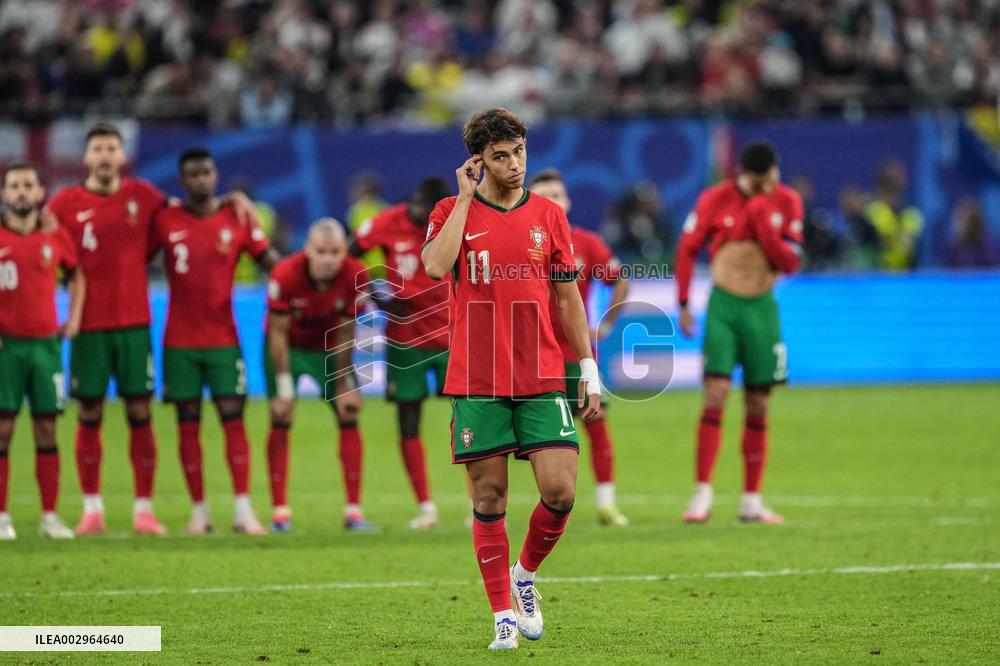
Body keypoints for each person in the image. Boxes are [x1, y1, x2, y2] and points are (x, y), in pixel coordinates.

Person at [421, 107, 601, 651]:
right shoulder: (451, 210)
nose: (515, 163)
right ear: (479, 160)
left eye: (519, 151)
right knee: (491, 495)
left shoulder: (549, 215)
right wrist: (466, 197)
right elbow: (434, 267)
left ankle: (524, 576)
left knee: (561, 491)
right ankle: (502, 613)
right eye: (501, 156)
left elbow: (567, 296)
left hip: (543, 371)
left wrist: (588, 366)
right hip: (477, 377)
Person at [47, 122, 255, 536]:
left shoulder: (145, 198)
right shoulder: (63, 205)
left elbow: (193, 212)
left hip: (136, 325)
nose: (105, 156)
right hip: (88, 327)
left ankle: (144, 510)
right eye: (98, 149)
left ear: (121, 157)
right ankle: (92, 509)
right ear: (87, 158)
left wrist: (230, 199)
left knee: (139, 413)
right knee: (89, 413)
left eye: (112, 148)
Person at [149, 147, 278, 535]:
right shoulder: (165, 218)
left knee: (232, 418)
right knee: (187, 423)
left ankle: (242, 510)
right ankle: (199, 511)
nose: (201, 179)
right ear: (182, 180)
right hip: (179, 342)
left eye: (207, 172)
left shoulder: (236, 215)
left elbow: (270, 262)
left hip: (224, 338)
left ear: (215, 174)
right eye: (193, 174)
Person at [674, 141, 803, 525]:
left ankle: (751, 499)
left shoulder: (786, 201)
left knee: (759, 402)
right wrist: (682, 301)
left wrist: (764, 224)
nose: (771, 181)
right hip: (724, 306)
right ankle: (702, 494)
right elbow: (687, 248)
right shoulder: (716, 199)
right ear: (745, 174)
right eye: (764, 176)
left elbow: (790, 263)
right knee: (715, 394)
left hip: (762, 308)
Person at [528, 169, 631, 526]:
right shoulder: (520, 242)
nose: (552, 201)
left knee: (596, 421)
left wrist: (604, 325)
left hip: (575, 353)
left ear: (567, 201)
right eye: (544, 196)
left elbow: (620, 279)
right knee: (517, 433)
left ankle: (606, 504)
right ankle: (487, 507)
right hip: (531, 356)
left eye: (557, 194)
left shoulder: (587, 243)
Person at [350, 177, 453, 529]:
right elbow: (350, 254)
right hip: (405, 340)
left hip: (453, 337)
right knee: (409, 423)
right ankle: (426, 507)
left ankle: (478, 503)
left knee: (473, 421)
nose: (436, 220)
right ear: (417, 203)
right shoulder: (385, 223)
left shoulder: (456, 220)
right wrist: (374, 295)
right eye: (432, 212)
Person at [265, 218, 374, 532]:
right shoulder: (285, 273)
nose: (328, 259)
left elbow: (346, 331)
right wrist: (284, 387)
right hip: (289, 348)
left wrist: (344, 383)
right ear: (307, 250)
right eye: (321, 252)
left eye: (335, 251)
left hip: (329, 349)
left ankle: (353, 512)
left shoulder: (356, 275)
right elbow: (277, 334)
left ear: (344, 251)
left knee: (349, 412)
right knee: (281, 416)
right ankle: (279, 513)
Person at [0, 161, 84, 540]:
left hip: (46, 346)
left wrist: (75, 317)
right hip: (6, 349)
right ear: (4, 194)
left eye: (27, 185)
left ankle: (49, 516)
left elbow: (77, 273)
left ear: (39, 193)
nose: (20, 192)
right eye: (14, 186)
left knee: (47, 428)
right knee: (3, 430)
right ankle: (2, 517)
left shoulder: (56, 237)